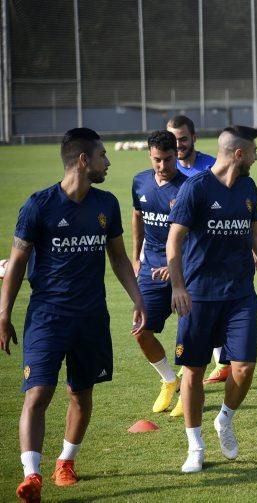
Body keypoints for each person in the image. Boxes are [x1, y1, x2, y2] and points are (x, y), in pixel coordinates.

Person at [0, 128, 146, 501]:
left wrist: (138, 299)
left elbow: (117, 257)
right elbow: (16, 263)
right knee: (38, 392)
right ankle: (31, 475)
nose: (108, 162)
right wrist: (3, 314)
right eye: (102, 156)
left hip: (92, 318)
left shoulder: (107, 205)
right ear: (83, 160)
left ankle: (65, 461)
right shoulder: (39, 205)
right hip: (47, 316)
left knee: (81, 393)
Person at [166, 125, 257, 472]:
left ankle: (225, 418)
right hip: (198, 297)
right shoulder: (196, 189)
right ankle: (195, 447)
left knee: (245, 367)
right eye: (253, 150)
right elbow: (174, 241)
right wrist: (178, 287)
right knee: (193, 371)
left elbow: (255, 236)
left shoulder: (248, 187)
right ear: (239, 153)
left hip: (239, 295)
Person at [166, 114, 229, 387]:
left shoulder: (211, 168)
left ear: (194, 138)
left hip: (209, 253)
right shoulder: (163, 171)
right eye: (173, 139)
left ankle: (215, 362)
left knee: (204, 306)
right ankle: (200, 362)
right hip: (180, 252)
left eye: (182, 138)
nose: (177, 145)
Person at [131, 131, 188, 413]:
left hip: (186, 272)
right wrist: (135, 257)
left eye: (168, 159)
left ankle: (189, 392)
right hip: (150, 270)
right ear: (149, 156)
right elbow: (138, 216)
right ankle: (169, 381)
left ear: (176, 154)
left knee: (190, 335)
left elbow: (198, 236)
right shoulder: (140, 182)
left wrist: (175, 265)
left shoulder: (190, 188)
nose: (162, 166)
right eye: (157, 160)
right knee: (141, 330)